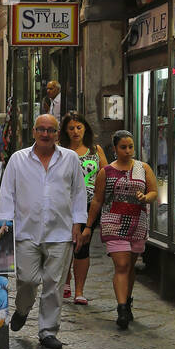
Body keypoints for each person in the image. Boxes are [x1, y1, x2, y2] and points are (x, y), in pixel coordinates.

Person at [0, 114, 87, 349]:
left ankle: (48, 331)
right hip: (26, 230)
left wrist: (78, 224)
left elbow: (79, 192)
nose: (46, 134)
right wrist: (5, 223)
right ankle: (22, 308)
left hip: (61, 231)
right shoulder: (18, 159)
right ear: (34, 132)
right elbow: (7, 193)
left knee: (54, 284)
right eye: (41, 129)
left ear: (57, 134)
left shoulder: (70, 159)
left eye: (51, 130)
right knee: (27, 279)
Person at [78, 128, 158, 329]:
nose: (128, 151)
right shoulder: (106, 172)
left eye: (130, 147)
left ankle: (127, 301)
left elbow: (153, 191)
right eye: (123, 147)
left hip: (137, 222)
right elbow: (97, 200)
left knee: (130, 266)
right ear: (115, 149)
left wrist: (146, 197)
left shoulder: (143, 168)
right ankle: (122, 308)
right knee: (121, 265)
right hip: (113, 222)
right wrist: (88, 226)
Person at [59, 112, 108, 306]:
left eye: (79, 127)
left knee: (82, 245)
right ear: (65, 131)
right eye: (71, 128)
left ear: (85, 128)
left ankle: (79, 290)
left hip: (90, 204)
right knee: (66, 244)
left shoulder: (95, 150)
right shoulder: (60, 150)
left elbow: (105, 173)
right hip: (64, 204)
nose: (75, 131)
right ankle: (66, 279)